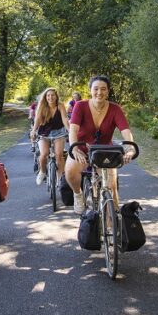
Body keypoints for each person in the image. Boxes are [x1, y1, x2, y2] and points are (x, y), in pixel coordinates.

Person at [64, 75, 136, 215]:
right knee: (71, 171)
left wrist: (130, 148)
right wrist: (75, 149)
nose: (99, 92)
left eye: (103, 89)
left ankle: (112, 228)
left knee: (112, 189)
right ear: (90, 90)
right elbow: (73, 129)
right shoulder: (80, 106)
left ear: (108, 91)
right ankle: (78, 194)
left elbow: (126, 132)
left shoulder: (115, 109)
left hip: (105, 152)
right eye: (96, 88)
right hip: (82, 149)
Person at [29, 88, 70, 186]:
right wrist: (34, 131)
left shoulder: (60, 106)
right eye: (48, 95)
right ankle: (42, 172)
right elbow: (37, 120)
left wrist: (69, 130)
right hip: (44, 133)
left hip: (59, 133)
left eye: (52, 95)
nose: (50, 97)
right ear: (45, 97)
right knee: (44, 154)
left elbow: (64, 118)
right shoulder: (42, 106)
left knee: (59, 155)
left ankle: (61, 179)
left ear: (56, 97)